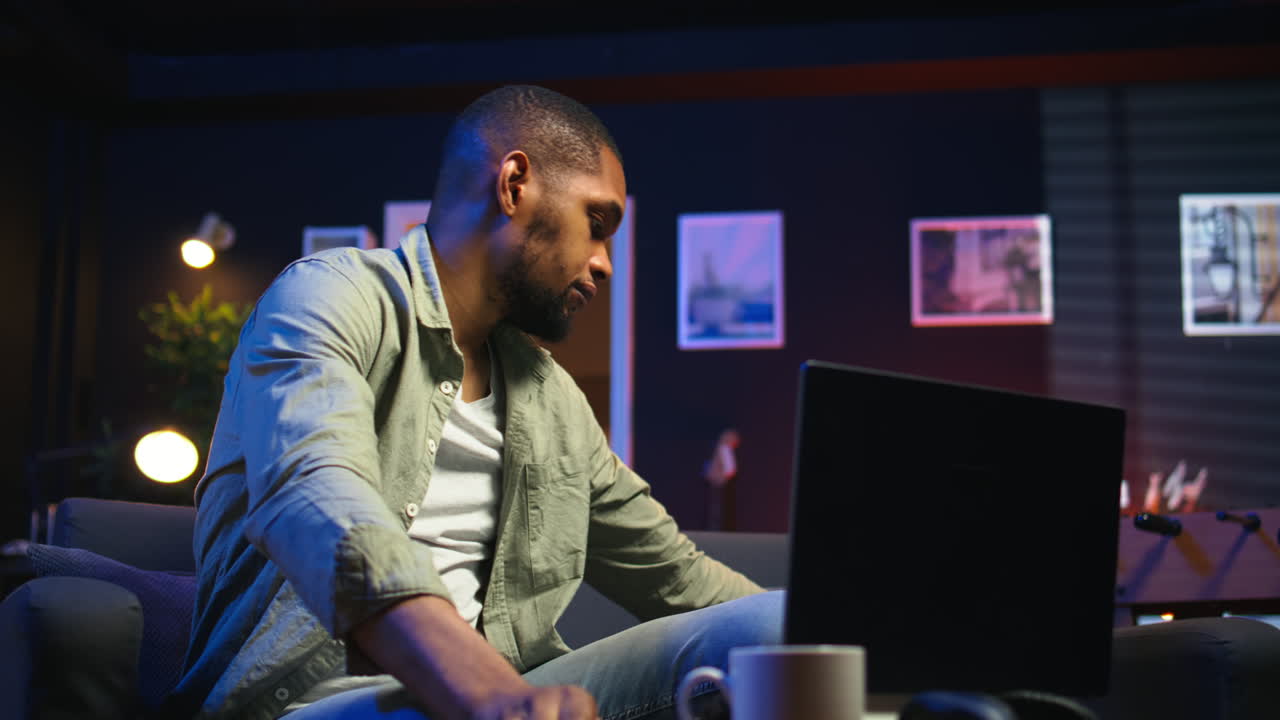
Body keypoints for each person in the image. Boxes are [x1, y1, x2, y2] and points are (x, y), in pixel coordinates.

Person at [165, 85, 782, 720]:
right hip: (308, 704)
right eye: (596, 225)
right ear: (514, 184)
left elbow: (681, 581)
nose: (605, 264)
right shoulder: (333, 295)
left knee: (772, 628)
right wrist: (487, 691)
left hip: (513, 697)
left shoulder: (552, 401)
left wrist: (840, 646)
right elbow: (312, 490)